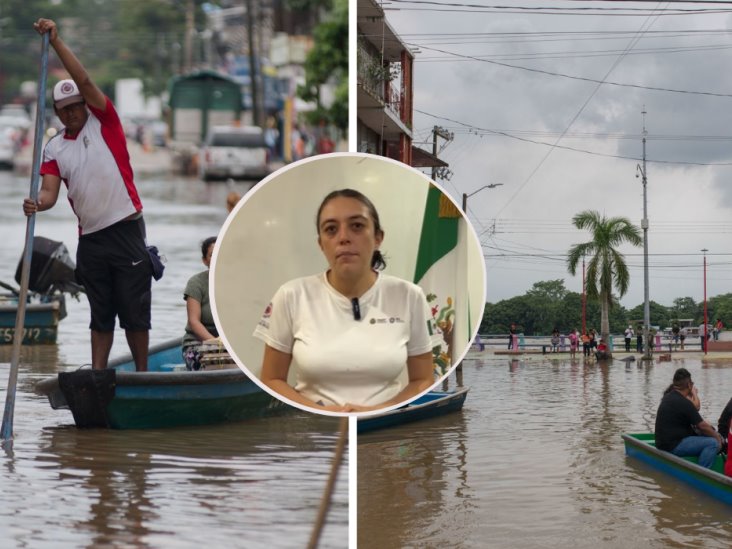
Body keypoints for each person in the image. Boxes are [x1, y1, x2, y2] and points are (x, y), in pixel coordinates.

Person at [23, 19, 152, 371]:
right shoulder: (53, 150)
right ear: (58, 114)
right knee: (101, 313)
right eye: (65, 109)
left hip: (126, 230)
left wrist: (58, 42)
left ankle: (141, 373)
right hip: (92, 240)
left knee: (135, 310)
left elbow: (85, 81)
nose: (72, 112)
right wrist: (36, 204)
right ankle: (98, 375)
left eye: (77, 106)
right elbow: (48, 194)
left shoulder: (105, 122)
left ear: (85, 104)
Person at [253, 188, 435, 413]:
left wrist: (379, 411)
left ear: (378, 237)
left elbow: (423, 380)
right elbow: (272, 379)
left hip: (386, 428)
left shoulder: (409, 296)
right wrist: (324, 412)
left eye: (357, 226)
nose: (344, 238)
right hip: (316, 430)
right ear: (321, 243)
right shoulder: (291, 295)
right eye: (331, 229)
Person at [654, 368, 722, 469]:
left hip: (662, 443)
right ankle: (702, 474)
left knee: (706, 435)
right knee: (712, 443)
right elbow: (702, 426)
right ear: (689, 385)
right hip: (673, 446)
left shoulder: (668, 397)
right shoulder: (684, 402)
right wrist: (717, 437)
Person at [182, 237, 218, 371]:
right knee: (213, 363)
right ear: (205, 261)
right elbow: (194, 321)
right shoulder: (196, 283)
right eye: (213, 255)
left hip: (229, 343)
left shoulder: (238, 283)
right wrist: (217, 343)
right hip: (198, 342)